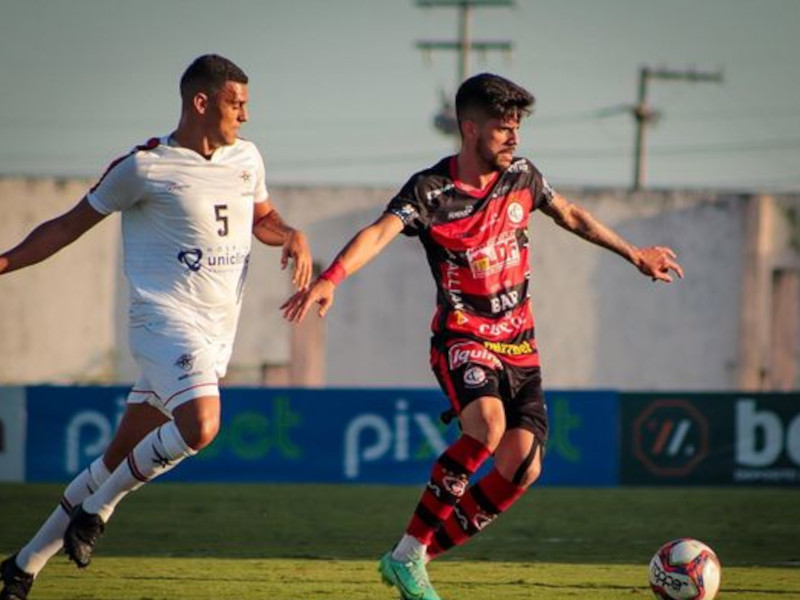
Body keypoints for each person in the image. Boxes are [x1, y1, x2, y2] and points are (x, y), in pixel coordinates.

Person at [281, 72, 683, 600]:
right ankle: (408, 556)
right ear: (470, 129)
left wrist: (635, 255)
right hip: (462, 337)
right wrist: (331, 278)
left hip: (521, 348)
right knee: (487, 427)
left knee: (522, 466)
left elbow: (573, 217)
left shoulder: (522, 177)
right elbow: (379, 232)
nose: (513, 138)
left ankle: (411, 557)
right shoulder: (431, 190)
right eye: (502, 128)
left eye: (517, 127)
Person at [0, 54, 312, 600]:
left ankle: (21, 568)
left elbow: (262, 218)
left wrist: (291, 234)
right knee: (202, 425)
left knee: (117, 459)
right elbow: (68, 225)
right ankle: (98, 511)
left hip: (215, 334)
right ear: (201, 102)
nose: (245, 114)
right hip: (161, 322)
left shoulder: (247, 158)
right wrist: (4, 262)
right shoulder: (144, 167)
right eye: (236, 103)